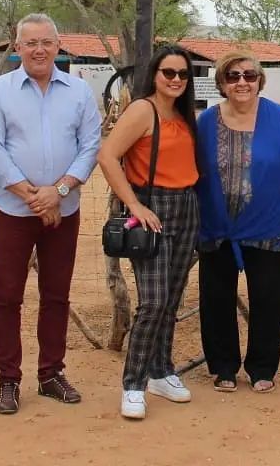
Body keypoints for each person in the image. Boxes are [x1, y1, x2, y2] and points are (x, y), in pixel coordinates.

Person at [0, 14, 102, 415]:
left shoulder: (80, 92)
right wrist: (32, 195)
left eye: (46, 42)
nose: (38, 50)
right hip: (14, 210)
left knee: (56, 295)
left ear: (58, 45)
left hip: (64, 210)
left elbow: (90, 146)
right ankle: (8, 379)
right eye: (29, 43)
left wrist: (59, 191)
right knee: (7, 297)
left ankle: (51, 374)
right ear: (17, 48)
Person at [194, 50, 280, 393]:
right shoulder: (205, 122)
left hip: (269, 227)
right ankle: (223, 367)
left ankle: (262, 367)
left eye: (249, 75)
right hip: (216, 227)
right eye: (233, 76)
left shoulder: (279, 118)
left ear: (260, 80)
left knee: (269, 298)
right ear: (221, 84)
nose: (242, 82)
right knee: (216, 299)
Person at [98, 44, 200, 420]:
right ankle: (133, 383)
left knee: (171, 299)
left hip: (186, 207)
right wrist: (135, 206)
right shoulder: (142, 110)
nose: (175, 80)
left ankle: (161, 370)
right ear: (154, 75)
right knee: (153, 302)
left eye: (182, 74)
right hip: (151, 209)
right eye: (168, 73)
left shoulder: (185, 114)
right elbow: (107, 156)